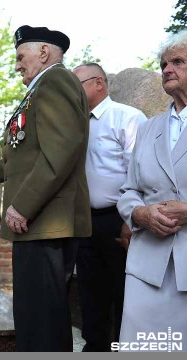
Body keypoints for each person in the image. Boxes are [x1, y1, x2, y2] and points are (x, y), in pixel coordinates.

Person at [0, 25, 90, 351]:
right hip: (40, 222)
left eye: (19, 56)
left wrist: (23, 205)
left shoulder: (56, 81)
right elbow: (32, 150)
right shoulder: (43, 85)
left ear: (43, 53)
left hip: (44, 221)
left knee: (40, 317)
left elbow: (62, 148)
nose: (16, 65)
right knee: (37, 313)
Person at [116, 29, 187, 351]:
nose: (167, 70)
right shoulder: (148, 128)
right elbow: (129, 189)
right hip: (148, 264)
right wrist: (140, 213)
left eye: (178, 62)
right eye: (163, 64)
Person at [71, 63, 146, 352]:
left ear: (99, 83)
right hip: (84, 220)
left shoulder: (127, 117)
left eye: (78, 84)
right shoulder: (76, 122)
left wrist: (131, 219)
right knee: (89, 291)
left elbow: (137, 171)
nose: (73, 92)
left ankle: (123, 349)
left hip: (118, 217)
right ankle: (95, 348)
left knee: (123, 290)